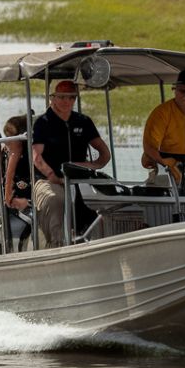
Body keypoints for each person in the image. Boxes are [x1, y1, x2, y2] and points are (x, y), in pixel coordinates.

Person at [32, 80, 111, 248]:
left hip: (78, 180)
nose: (66, 101)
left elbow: (105, 154)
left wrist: (89, 167)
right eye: (61, 97)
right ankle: (56, 246)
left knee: (106, 204)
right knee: (56, 200)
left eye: (71, 97)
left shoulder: (83, 121)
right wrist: (53, 176)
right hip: (48, 181)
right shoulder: (42, 123)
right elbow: (37, 158)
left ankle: (102, 247)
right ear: (52, 98)